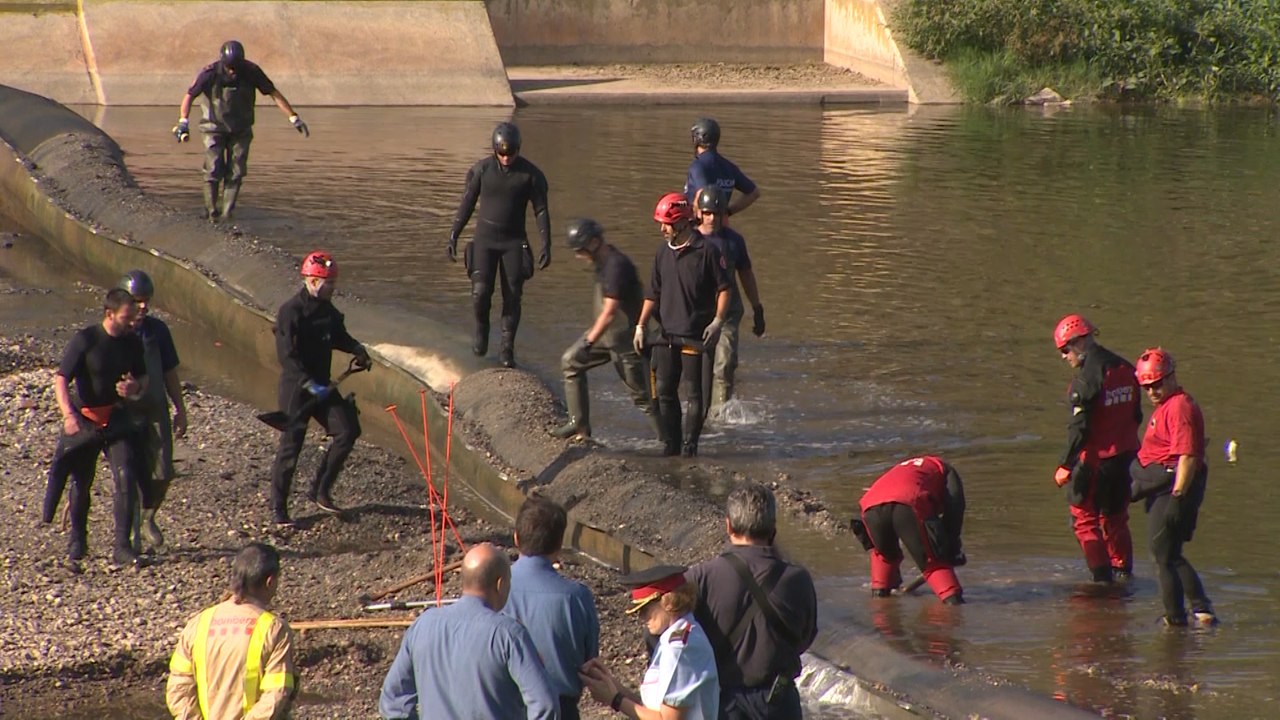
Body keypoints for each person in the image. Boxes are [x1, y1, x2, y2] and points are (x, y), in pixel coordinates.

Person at [379, 543, 558, 719]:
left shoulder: (423, 624)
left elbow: (393, 700)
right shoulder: (508, 634)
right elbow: (544, 705)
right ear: (500, 584)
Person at [685, 484, 817, 720]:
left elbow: (671, 634)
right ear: (773, 527)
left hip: (722, 700)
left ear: (728, 525)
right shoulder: (798, 579)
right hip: (778, 701)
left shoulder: (700, 577)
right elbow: (805, 638)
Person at [42, 288, 148, 568]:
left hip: (116, 417)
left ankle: (122, 546)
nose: (131, 323)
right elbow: (61, 379)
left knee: (126, 475)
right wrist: (68, 416)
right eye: (126, 318)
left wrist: (135, 388)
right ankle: (77, 540)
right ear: (109, 314)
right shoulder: (86, 339)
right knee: (81, 479)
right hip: (85, 417)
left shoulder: (132, 341)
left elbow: (143, 378)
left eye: (133, 318)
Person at [267, 251, 371, 525]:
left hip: (323, 386)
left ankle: (320, 491)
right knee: (291, 447)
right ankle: (279, 508)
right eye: (329, 283)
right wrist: (308, 384)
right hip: (297, 388)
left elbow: (339, 337)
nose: (333, 288)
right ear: (312, 281)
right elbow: (286, 356)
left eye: (334, 282)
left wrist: (357, 349)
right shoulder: (290, 312)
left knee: (348, 430)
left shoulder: (329, 311)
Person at [447, 122, 552, 368]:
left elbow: (540, 210)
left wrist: (546, 243)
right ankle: (481, 328)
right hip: (485, 240)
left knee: (512, 296)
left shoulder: (531, 175)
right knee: (480, 292)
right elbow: (467, 204)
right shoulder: (481, 171)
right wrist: (453, 235)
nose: (506, 158)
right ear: (494, 150)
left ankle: (507, 348)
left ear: (518, 149)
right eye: (501, 154)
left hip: (513, 242)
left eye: (511, 153)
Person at [634, 192, 730, 457]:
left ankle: (690, 448)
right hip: (666, 335)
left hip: (695, 337)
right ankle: (671, 445)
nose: (662, 229)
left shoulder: (708, 251)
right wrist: (641, 325)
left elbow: (724, 289)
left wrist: (717, 321)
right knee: (664, 391)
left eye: (666, 224)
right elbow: (653, 293)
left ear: (681, 223)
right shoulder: (662, 253)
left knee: (694, 395)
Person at [172, 40, 309, 222]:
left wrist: (293, 118)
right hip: (213, 127)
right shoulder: (210, 73)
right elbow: (189, 95)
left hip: (241, 129)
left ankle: (227, 214)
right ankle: (211, 212)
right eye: (229, 68)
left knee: (236, 171)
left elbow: (273, 93)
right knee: (213, 169)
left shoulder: (252, 71)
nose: (232, 72)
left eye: (236, 68)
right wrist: (183, 121)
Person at [552, 217, 663, 442]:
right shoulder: (601, 263)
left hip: (626, 341)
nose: (578, 256)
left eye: (580, 251)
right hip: (607, 335)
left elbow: (610, 311)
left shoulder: (616, 265)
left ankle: (670, 442)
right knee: (570, 362)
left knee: (643, 397)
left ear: (593, 243)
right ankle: (579, 425)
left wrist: (588, 342)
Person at [1128, 348, 1216, 627]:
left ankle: (1176, 618)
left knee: (1162, 555)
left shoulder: (1179, 408)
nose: (1152, 392)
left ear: (1171, 377)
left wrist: (1178, 498)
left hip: (1174, 487)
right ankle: (1201, 611)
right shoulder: (1167, 405)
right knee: (1170, 554)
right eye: (1146, 387)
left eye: (1157, 384)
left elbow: (1187, 457)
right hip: (1161, 484)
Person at [1052, 314, 1141, 583]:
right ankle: (1123, 574)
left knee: (1083, 519)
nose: (1064, 357)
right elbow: (1136, 415)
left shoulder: (1086, 380)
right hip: (1126, 457)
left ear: (1079, 342)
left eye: (1065, 350)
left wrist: (1065, 464)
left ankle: (1102, 582)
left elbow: (1079, 427)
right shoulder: (1126, 369)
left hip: (1096, 461)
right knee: (1116, 518)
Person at [167, 542, 298, 720]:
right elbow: (276, 693)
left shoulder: (197, 624)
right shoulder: (274, 629)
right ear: (270, 581)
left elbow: (179, 689)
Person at [502, 496, 600, 719]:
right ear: (559, 544)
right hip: (561, 709)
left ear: (516, 537)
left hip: (505, 708)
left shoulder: (493, 589)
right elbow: (590, 663)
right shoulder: (577, 597)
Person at [579, 566, 720, 719]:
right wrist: (611, 685)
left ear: (668, 602)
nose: (642, 618)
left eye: (645, 609)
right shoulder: (677, 637)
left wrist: (615, 700)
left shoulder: (679, 648)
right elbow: (651, 709)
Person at [119, 270, 188, 551]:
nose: (143, 306)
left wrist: (180, 408)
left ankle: (149, 515)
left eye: (147, 300)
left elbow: (170, 371)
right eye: (137, 300)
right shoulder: (115, 333)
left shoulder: (158, 331)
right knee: (131, 473)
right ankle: (131, 534)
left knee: (163, 472)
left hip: (156, 409)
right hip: (126, 412)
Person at [693, 187, 765, 422]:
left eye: (717, 213)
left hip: (728, 314)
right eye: (707, 213)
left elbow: (746, 275)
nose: (712, 218)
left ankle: (719, 419)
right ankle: (697, 414)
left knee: (724, 364)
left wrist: (757, 308)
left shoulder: (734, 241)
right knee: (694, 367)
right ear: (699, 213)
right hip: (696, 312)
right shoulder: (690, 240)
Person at [852, 455, 966, 604]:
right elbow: (955, 507)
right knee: (935, 564)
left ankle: (880, 603)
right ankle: (954, 608)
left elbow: (862, 522)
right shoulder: (946, 470)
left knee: (884, 556)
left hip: (869, 508)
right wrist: (951, 547)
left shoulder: (901, 469)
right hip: (909, 502)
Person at [683, 118, 760, 218]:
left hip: (701, 224)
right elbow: (754, 193)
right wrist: (728, 212)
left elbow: (701, 193)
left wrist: (695, 220)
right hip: (721, 223)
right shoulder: (730, 167)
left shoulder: (698, 166)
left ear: (697, 139)